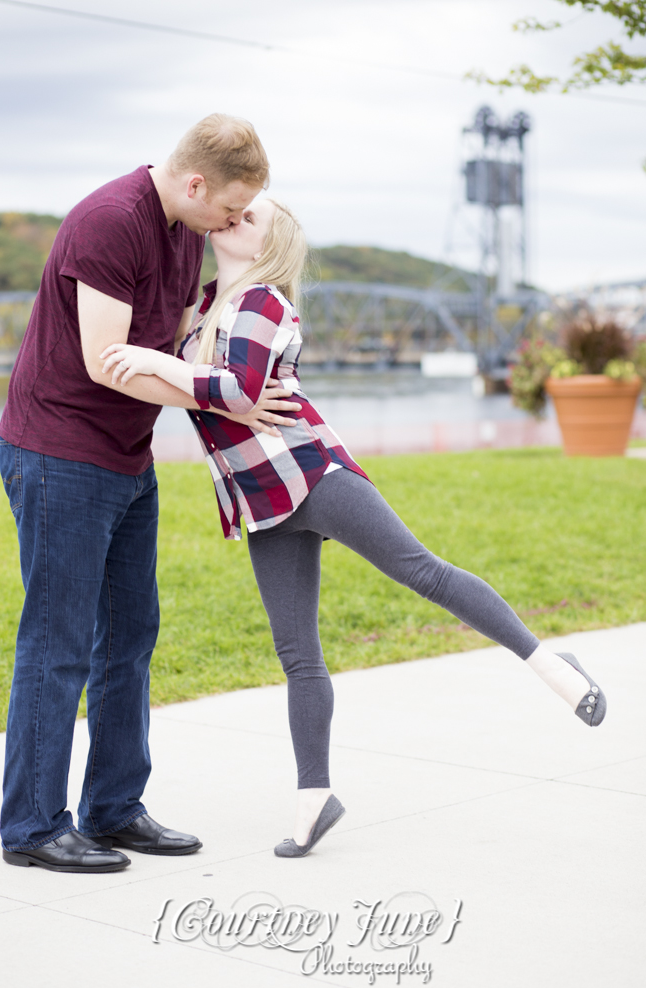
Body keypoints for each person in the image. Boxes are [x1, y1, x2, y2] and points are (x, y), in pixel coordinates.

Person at [100, 197, 607, 860]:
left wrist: (163, 365)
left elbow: (235, 393)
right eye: (232, 211)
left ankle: (551, 666)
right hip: (262, 499)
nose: (232, 219)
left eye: (249, 219)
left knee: (420, 571)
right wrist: (166, 363)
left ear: (269, 246)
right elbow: (204, 391)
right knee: (297, 653)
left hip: (314, 474)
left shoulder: (263, 302)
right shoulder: (200, 308)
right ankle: (315, 798)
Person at [0, 115, 304, 874]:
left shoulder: (183, 227)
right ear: (195, 181)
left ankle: (113, 808)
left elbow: (175, 340)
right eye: (230, 210)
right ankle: (33, 826)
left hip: (126, 458)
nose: (233, 223)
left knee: (130, 635)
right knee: (58, 639)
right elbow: (108, 362)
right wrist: (220, 396)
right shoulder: (111, 221)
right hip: (59, 450)